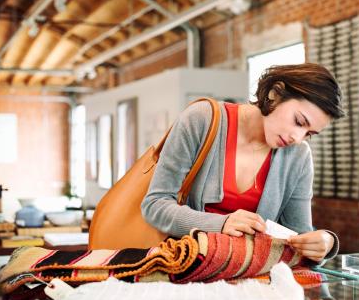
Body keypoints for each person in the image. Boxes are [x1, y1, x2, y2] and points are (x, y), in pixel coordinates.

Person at [142, 63, 345, 262]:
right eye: (299, 122)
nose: (297, 137)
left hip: (248, 278)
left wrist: (325, 243)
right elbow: (155, 205)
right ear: (275, 93)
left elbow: (298, 235)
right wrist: (221, 224)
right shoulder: (201, 119)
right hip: (186, 266)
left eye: (309, 133)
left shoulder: (298, 156)